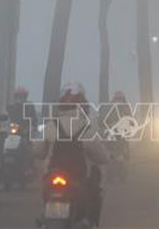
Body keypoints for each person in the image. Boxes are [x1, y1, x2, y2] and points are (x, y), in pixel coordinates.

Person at [35, 82, 109, 227]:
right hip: (79, 178)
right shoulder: (87, 129)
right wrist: (107, 157)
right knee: (95, 190)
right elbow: (101, 156)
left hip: (52, 176)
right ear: (82, 105)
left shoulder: (51, 126)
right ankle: (90, 221)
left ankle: (44, 217)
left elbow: (38, 151)